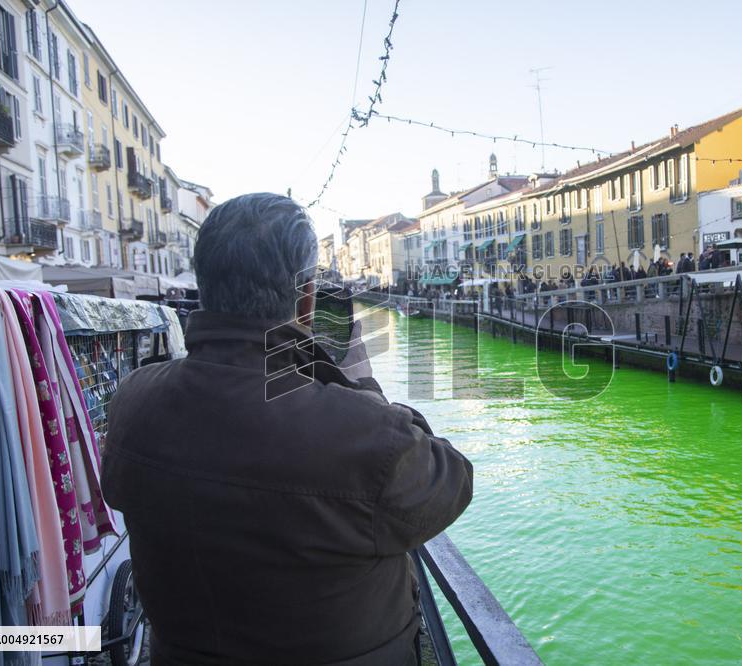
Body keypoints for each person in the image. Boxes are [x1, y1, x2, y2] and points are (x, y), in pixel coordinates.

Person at [102, 194, 473, 666]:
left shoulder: (133, 401)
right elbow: (452, 481)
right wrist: (357, 386)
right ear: (307, 299)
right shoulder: (364, 433)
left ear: (206, 284)